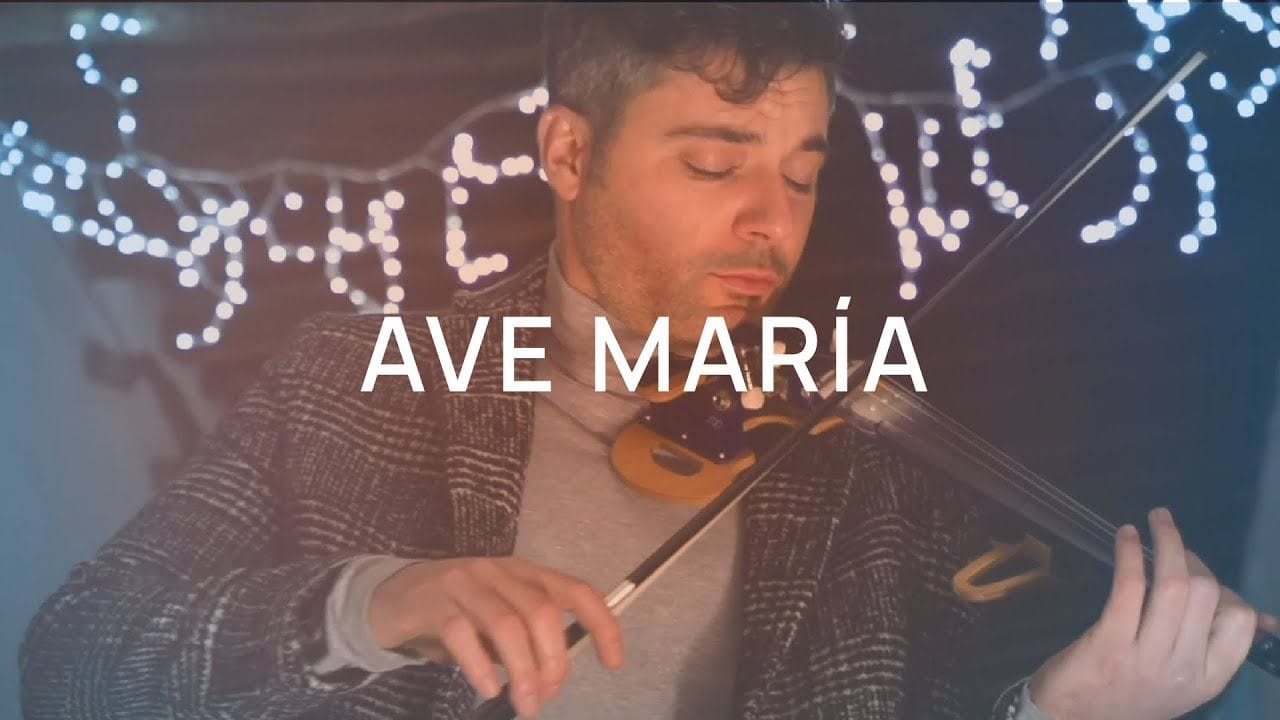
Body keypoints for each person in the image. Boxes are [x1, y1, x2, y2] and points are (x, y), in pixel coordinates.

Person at [19, 5, 1266, 720]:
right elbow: (73, 662)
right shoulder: (351, 381)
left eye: (800, 175)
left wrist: (1055, 711)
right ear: (568, 155)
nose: (769, 223)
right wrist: (370, 603)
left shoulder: (854, 439)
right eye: (714, 164)